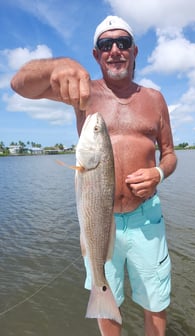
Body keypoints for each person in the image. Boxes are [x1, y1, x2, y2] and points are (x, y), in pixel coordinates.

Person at [11, 15, 177, 336]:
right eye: (106, 44)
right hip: (97, 219)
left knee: (156, 301)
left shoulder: (155, 99)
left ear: (134, 50)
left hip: (146, 219)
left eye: (122, 43)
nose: (115, 50)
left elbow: (169, 154)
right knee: (105, 293)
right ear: (96, 54)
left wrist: (158, 172)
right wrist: (56, 65)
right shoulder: (82, 92)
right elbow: (19, 85)